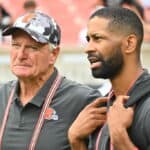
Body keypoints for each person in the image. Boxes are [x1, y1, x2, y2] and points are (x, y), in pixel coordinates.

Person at [0, 11, 104, 149]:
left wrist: (76, 141)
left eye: (32, 47)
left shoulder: (83, 101)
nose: (20, 55)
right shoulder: (2, 95)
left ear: (53, 55)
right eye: (16, 45)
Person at [68, 7, 150, 150]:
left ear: (129, 43)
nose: (88, 48)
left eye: (98, 38)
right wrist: (76, 141)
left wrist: (120, 138)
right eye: (88, 39)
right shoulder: (99, 110)